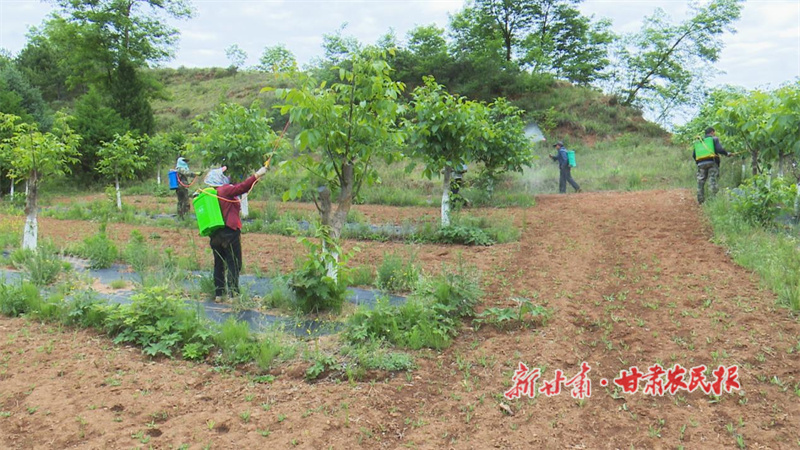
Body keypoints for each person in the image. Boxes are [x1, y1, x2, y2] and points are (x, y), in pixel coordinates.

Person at [203, 164, 268, 301]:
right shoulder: (225, 190)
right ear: (220, 178)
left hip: (215, 234)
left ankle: (219, 294)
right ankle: (233, 294)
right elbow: (242, 187)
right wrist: (257, 175)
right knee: (234, 263)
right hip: (229, 232)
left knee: (219, 263)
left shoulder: (208, 193)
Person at [692, 127, 730, 204]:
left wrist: (698, 162)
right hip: (712, 162)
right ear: (712, 132)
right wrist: (727, 153)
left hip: (700, 164)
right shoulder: (714, 139)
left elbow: (694, 154)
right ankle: (713, 201)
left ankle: (700, 200)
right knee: (712, 181)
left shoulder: (700, 141)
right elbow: (719, 150)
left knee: (701, 182)